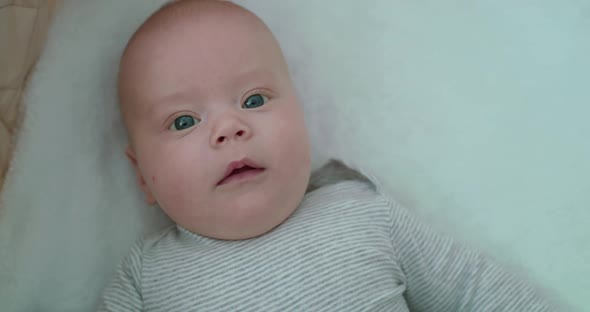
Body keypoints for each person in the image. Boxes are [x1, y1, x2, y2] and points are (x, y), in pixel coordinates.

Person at [99, 1, 558, 310]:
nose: (229, 128)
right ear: (142, 175)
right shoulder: (146, 277)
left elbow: (476, 287)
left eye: (254, 100)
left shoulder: (362, 213)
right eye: (183, 121)